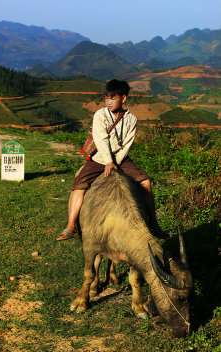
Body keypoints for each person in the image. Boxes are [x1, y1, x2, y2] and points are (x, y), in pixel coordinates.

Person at [57, 79, 167, 240]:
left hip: (121, 159)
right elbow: (100, 139)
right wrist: (108, 161)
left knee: (146, 182)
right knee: (79, 185)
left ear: (123, 98)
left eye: (113, 98)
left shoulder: (132, 120)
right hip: (99, 158)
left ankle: (154, 225)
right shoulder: (100, 115)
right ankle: (71, 225)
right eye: (106, 98)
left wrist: (116, 162)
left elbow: (127, 144)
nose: (108, 101)